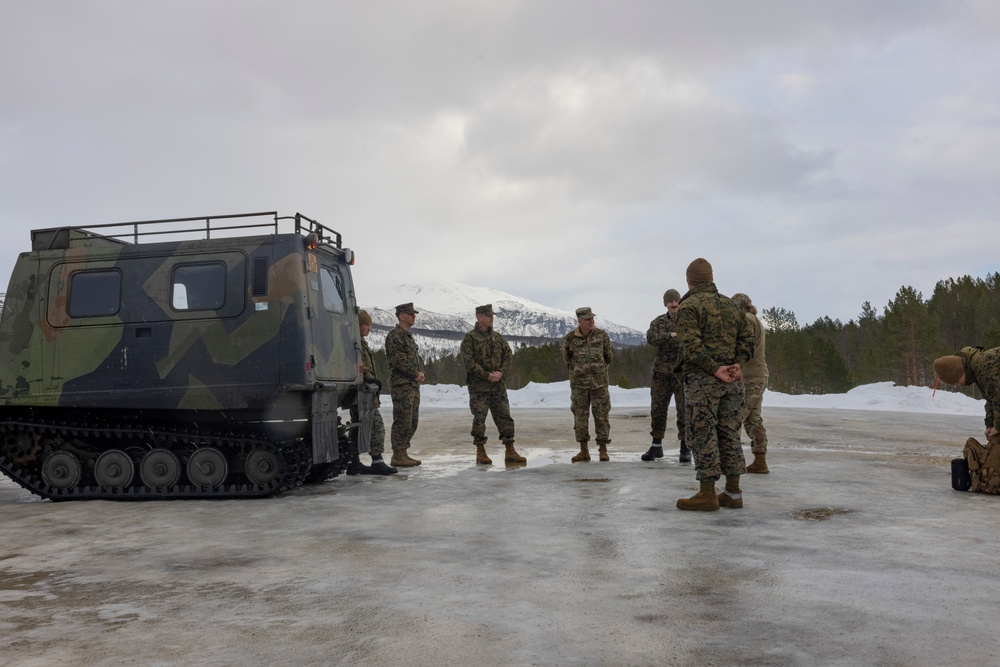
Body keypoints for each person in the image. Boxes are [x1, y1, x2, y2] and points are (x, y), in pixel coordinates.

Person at [674, 258, 754, 511]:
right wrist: (737, 363)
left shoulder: (690, 307)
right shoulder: (732, 306)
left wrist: (713, 368)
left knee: (703, 432)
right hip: (732, 381)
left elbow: (691, 344)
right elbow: (747, 339)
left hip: (703, 382)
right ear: (710, 278)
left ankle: (707, 492)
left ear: (689, 280)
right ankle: (733, 492)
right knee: (730, 432)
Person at [460, 304, 526, 465]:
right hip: (479, 387)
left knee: (504, 417)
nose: (491, 318)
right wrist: (486, 375)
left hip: (498, 386)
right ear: (479, 317)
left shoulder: (497, 337)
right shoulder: (470, 339)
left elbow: (508, 356)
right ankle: (480, 451)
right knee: (479, 419)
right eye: (488, 316)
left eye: (492, 316)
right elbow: (469, 362)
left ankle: (510, 450)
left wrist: (502, 373)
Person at [347, 310, 397, 476]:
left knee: (357, 428)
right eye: (366, 325)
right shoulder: (356, 344)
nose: (369, 328)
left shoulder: (358, 342)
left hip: (358, 393)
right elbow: (359, 366)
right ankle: (377, 461)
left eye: (370, 325)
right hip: (362, 393)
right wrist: (370, 379)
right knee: (376, 427)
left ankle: (353, 462)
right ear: (358, 325)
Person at [562, 307, 614, 462]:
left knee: (602, 417)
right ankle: (583, 450)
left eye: (592, 318)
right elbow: (567, 359)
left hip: (599, 385)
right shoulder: (570, 338)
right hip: (579, 386)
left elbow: (608, 357)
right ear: (580, 321)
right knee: (580, 418)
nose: (591, 321)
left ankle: (603, 450)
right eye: (588, 319)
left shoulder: (602, 336)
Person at [642, 288, 688, 463]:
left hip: (681, 373)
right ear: (665, 304)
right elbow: (651, 338)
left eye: (676, 300)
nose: (674, 304)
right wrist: (671, 335)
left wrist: (676, 336)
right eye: (671, 301)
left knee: (684, 411)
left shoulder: (687, 320)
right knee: (658, 409)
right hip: (661, 373)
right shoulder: (658, 322)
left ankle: (685, 448)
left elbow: (691, 338)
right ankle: (656, 446)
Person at [732, 293, 770, 474]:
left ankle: (733, 462)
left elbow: (739, 345)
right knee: (753, 419)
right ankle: (760, 460)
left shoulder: (746, 319)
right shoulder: (755, 319)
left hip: (750, 377)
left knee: (735, 418)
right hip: (758, 375)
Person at [385, 302, 425, 468]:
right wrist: (415, 373)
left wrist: (421, 372)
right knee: (402, 420)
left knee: (412, 421)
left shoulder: (408, 336)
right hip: (402, 385)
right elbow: (399, 360)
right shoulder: (395, 336)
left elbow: (415, 358)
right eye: (410, 314)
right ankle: (397, 454)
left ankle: (403, 452)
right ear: (402, 316)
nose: (413, 316)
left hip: (412, 385)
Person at [934, 346, 1000, 444]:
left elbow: (998, 397)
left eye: (956, 381)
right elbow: (991, 398)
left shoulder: (985, 368)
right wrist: (990, 424)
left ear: (959, 372)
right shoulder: (977, 370)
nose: (959, 384)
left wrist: (998, 426)